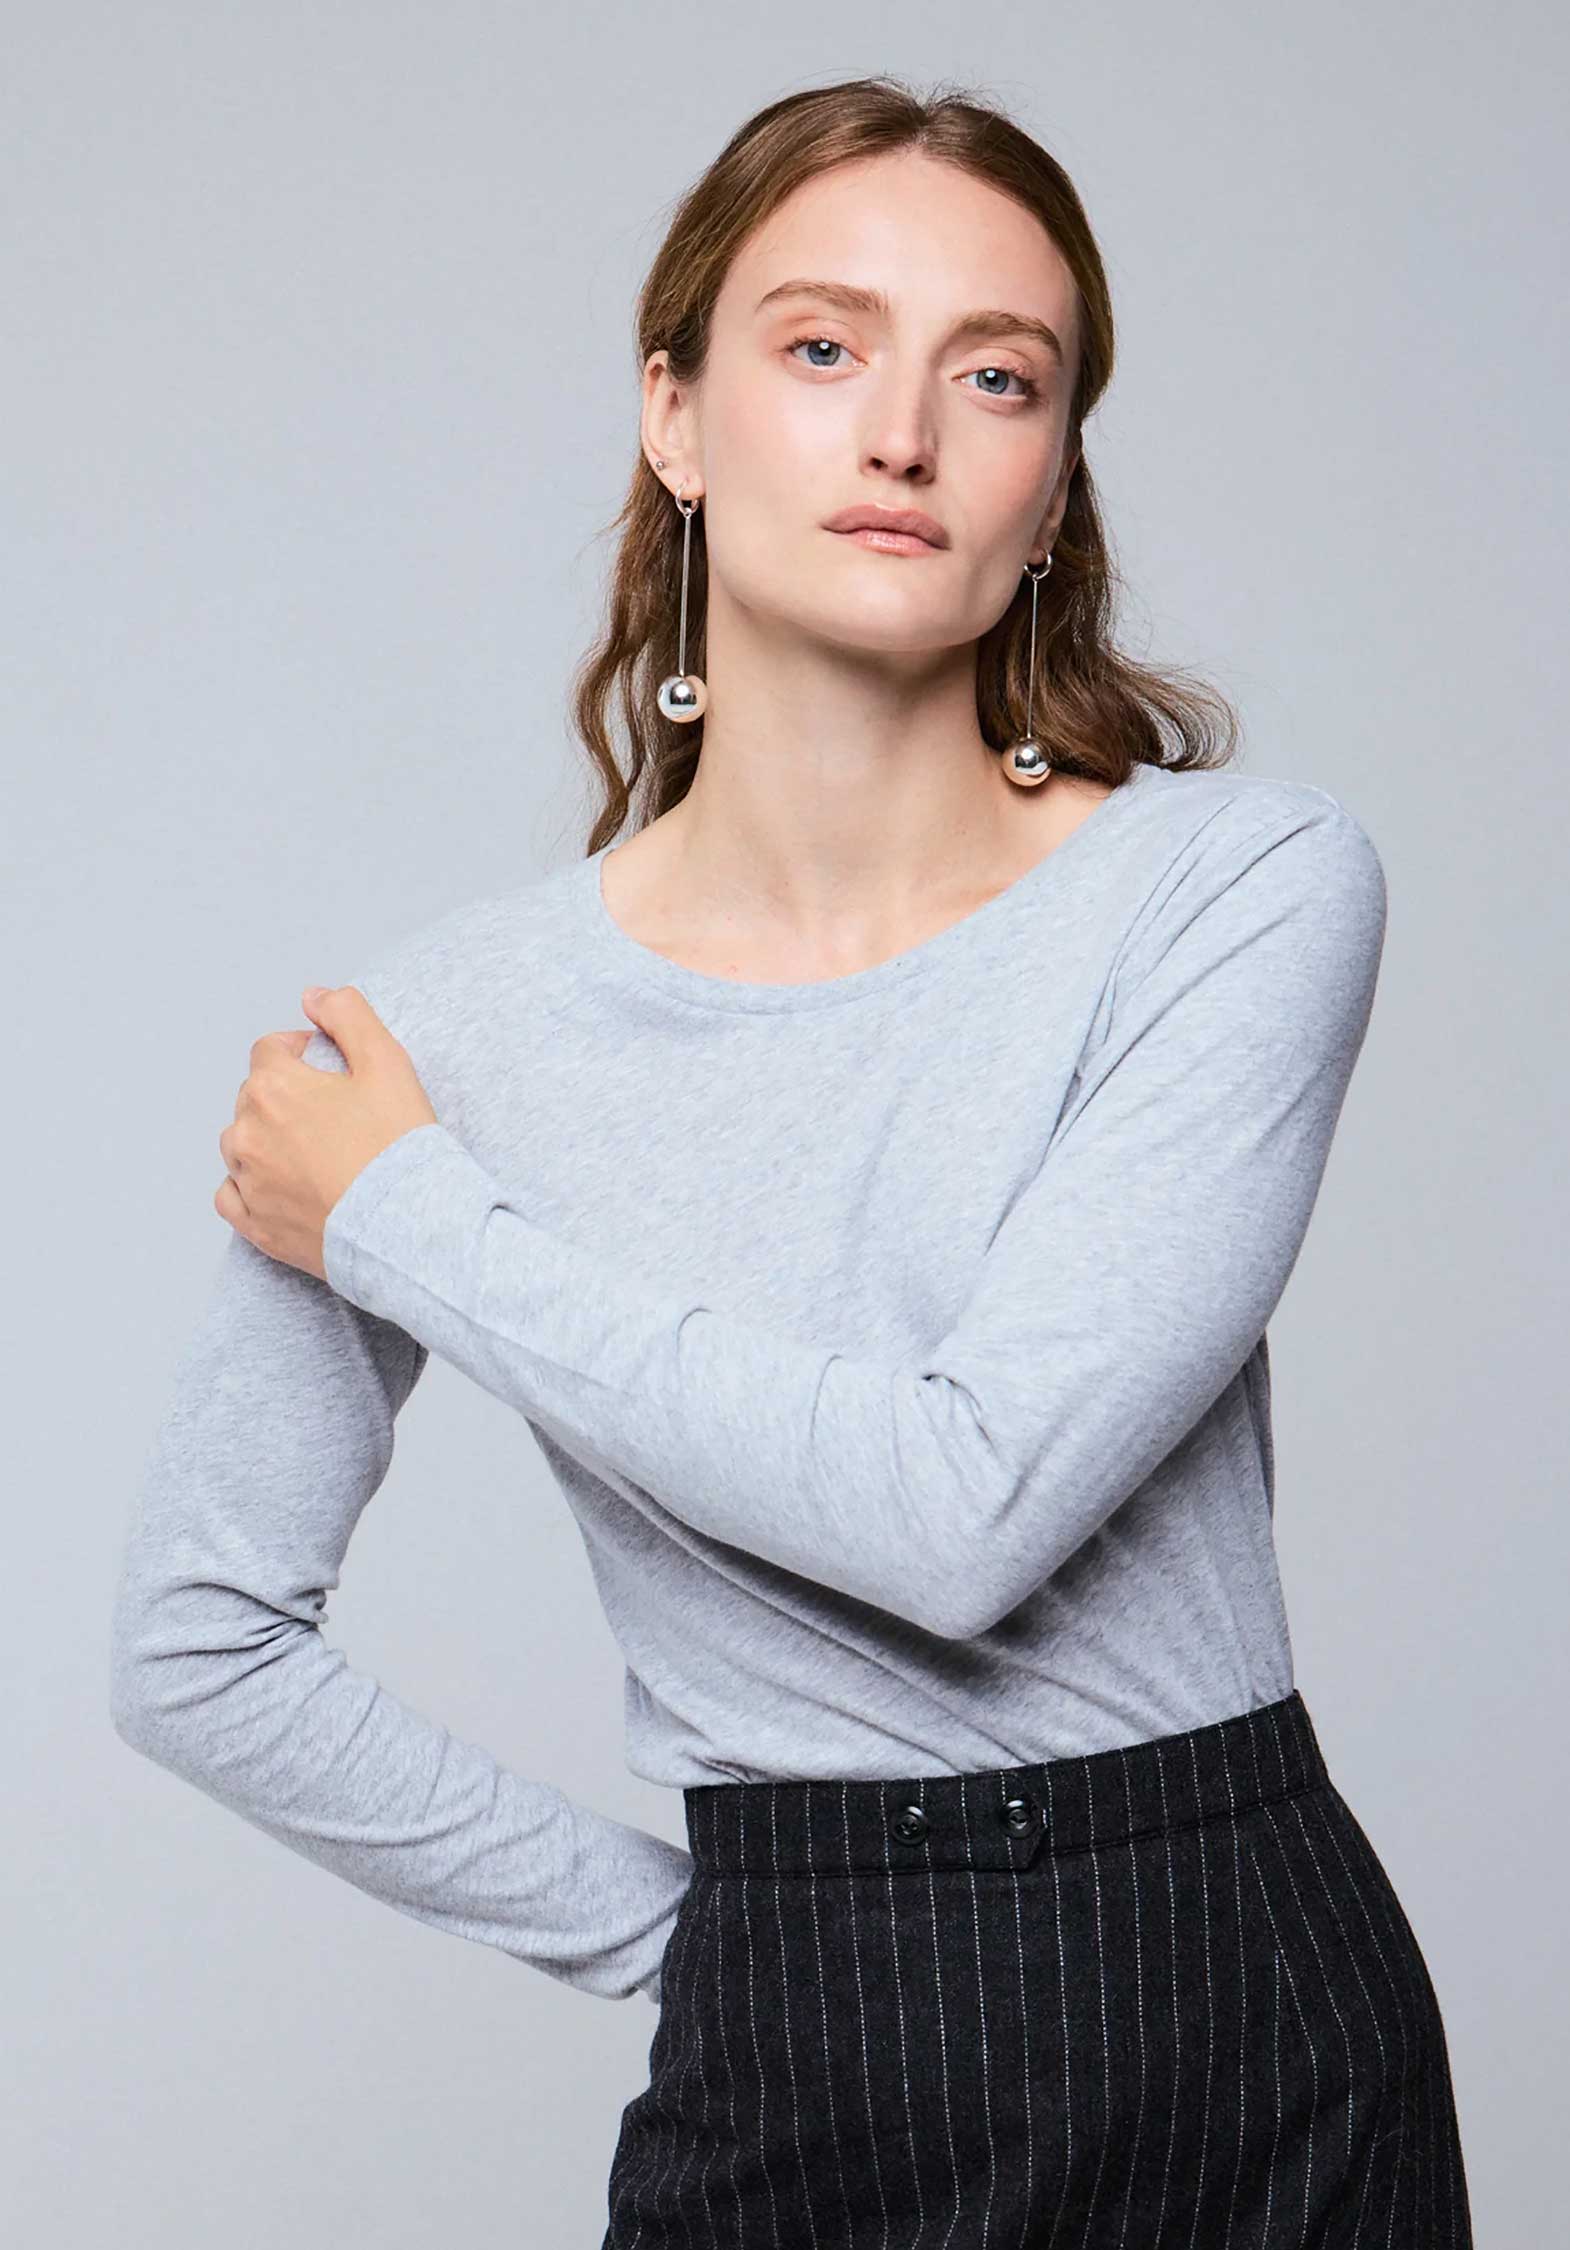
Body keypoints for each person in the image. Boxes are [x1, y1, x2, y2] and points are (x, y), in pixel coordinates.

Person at [110, 74, 1472, 2249]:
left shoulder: (1233, 890)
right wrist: (714, 1952)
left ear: (1051, 483)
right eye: (822, 345)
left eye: (995, 376)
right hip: (795, 2038)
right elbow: (197, 1646)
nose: (901, 433)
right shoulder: (439, 1038)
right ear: (675, 414)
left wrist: (414, 1226)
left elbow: (966, 1510)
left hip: (1243, 2004)